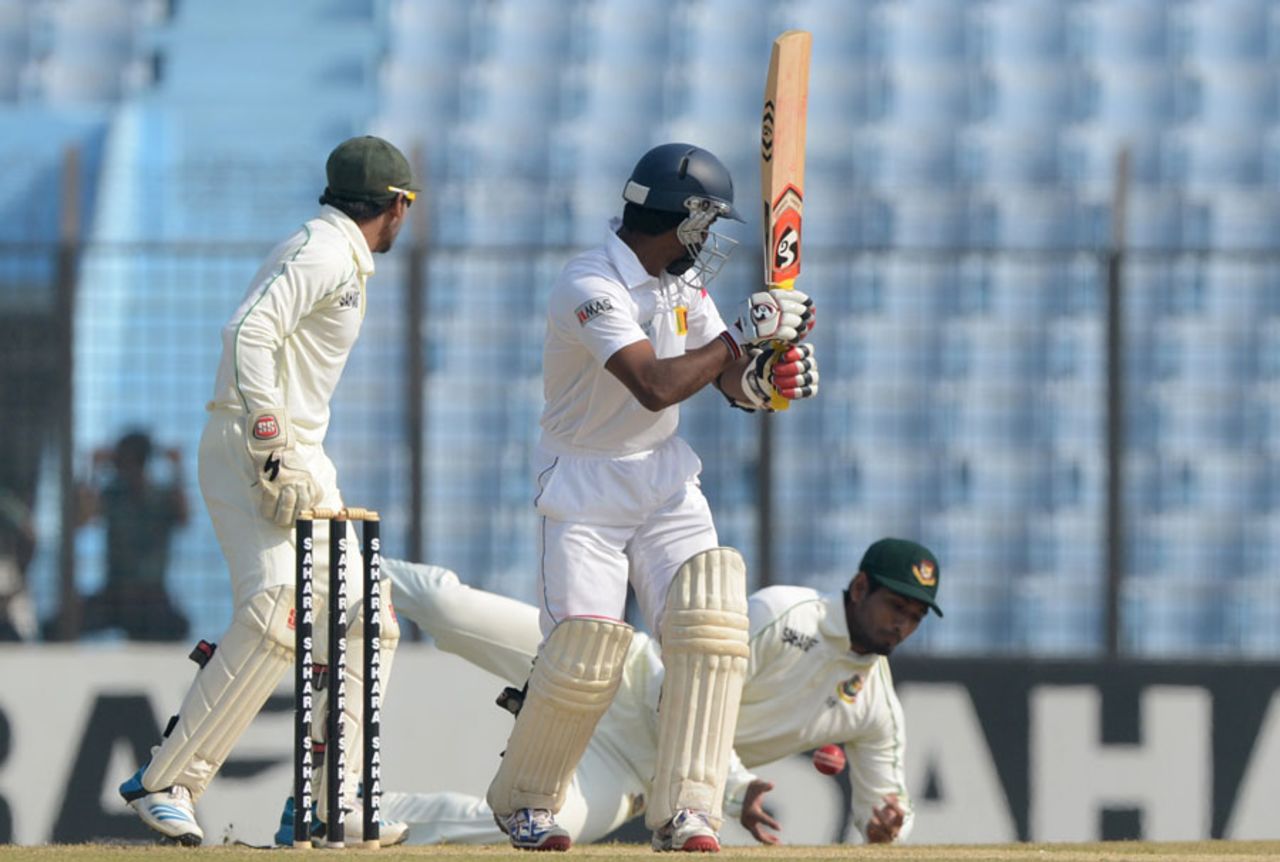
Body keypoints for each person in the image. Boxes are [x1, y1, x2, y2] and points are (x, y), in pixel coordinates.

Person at [486, 142, 821, 852]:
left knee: (709, 634)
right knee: (583, 658)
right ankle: (527, 800)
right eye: (707, 225)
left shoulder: (682, 286)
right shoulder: (588, 285)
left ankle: (689, 809)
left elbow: (719, 380)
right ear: (682, 216)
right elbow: (656, 384)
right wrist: (739, 340)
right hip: (585, 487)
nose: (709, 242)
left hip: (665, 481)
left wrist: (762, 382)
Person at [117, 136, 416, 847]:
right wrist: (270, 442)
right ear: (397, 206)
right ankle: (168, 781)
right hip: (251, 446)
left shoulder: (340, 253)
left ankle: (327, 803)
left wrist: (290, 447)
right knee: (279, 609)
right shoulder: (321, 250)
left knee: (367, 619)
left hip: (300, 452)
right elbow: (245, 333)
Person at [275, 540, 939, 847]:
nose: (901, 625)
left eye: (914, 617)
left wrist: (886, 827)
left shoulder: (873, 703)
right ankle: (329, 565)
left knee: (538, 832)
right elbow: (688, 694)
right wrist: (733, 791)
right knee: (450, 610)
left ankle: (343, 816)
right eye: (895, 606)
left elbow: (887, 809)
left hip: (641, 770)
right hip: (618, 677)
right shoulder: (783, 614)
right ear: (858, 588)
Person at [76, 432, 190, 641]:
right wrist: (91, 470)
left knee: (178, 627)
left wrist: (177, 470)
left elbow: (184, 518)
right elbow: (84, 518)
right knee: (62, 623)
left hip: (152, 596)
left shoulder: (161, 496)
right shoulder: (113, 494)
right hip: (115, 594)